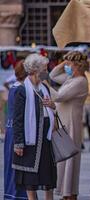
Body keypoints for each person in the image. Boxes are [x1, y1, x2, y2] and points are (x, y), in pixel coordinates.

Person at [12, 54, 57, 200]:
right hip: (30, 140)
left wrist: (53, 106)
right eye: (44, 69)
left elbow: (51, 109)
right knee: (31, 180)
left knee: (47, 178)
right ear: (35, 70)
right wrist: (18, 143)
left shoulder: (44, 87)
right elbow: (18, 119)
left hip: (45, 140)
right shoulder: (22, 90)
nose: (46, 72)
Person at [47, 51, 88, 200]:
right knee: (63, 160)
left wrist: (45, 85)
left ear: (77, 66)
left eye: (70, 65)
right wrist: (64, 63)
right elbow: (53, 75)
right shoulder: (71, 78)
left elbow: (58, 96)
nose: (67, 68)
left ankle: (69, 193)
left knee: (70, 159)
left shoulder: (80, 81)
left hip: (72, 124)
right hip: (64, 122)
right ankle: (65, 192)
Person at [4, 60, 28, 200]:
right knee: (17, 166)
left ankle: (12, 194)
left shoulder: (14, 87)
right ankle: (17, 195)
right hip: (16, 132)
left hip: (11, 130)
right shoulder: (20, 89)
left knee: (12, 166)